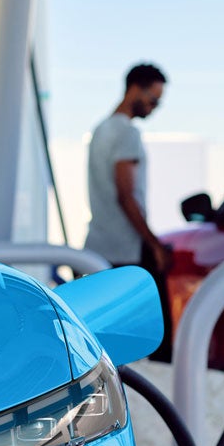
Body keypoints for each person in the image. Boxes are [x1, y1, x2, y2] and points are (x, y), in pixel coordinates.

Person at [84, 62, 174, 362]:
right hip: (127, 250)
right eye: (154, 99)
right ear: (136, 88)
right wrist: (153, 243)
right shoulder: (127, 133)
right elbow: (126, 195)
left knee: (106, 345)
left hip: (99, 244)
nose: (155, 107)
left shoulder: (100, 129)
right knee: (156, 345)